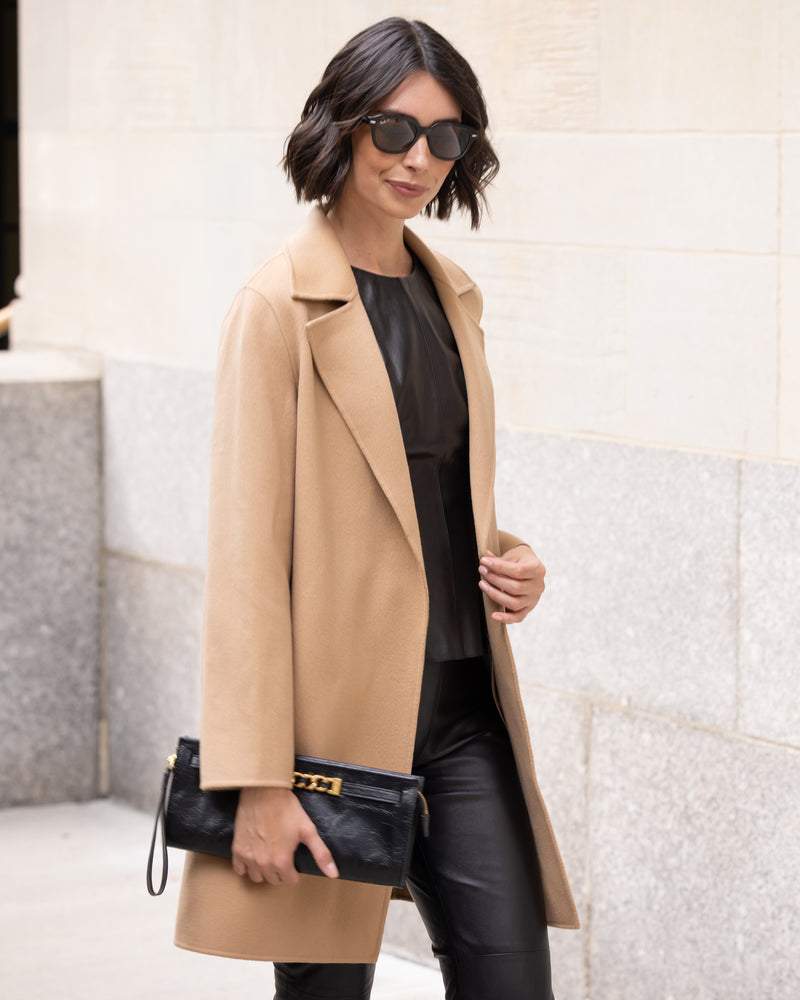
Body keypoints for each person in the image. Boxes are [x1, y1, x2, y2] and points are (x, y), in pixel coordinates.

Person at [175, 17, 578, 1000]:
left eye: (446, 138)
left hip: (461, 714)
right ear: (343, 124)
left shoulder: (453, 300)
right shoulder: (276, 307)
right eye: (395, 129)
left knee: (511, 979)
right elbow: (244, 563)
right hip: (329, 737)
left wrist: (507, 557)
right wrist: (258, 782)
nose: (418, 159)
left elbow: (424, 499)